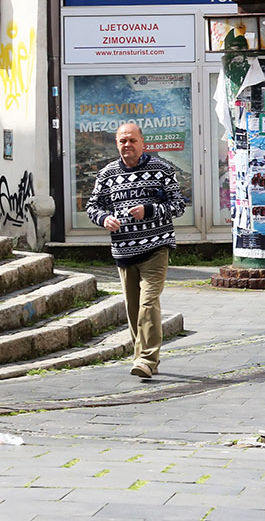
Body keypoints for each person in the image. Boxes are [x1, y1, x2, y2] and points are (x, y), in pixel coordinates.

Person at [85, 122, 187, 380]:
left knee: (148, 302)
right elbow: (93, 206)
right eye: (122, 141)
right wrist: (104, 219)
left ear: (143, 143)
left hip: (156, 247)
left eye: (132, 140)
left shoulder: (162, 170)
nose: (127, 145)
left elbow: (178, 205)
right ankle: (142, 357)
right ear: (116, 144)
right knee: (132, 309)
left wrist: (149, 210)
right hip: (124, 250)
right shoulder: (107, 174)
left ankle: (146, 358)